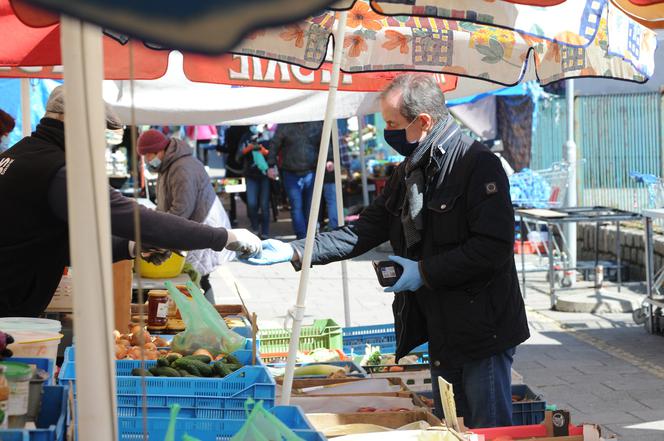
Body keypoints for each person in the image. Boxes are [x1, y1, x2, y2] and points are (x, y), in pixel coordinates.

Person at [245, 74, 529, 429]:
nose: (388, 133)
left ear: (423, 121)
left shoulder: (476, 164)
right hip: (439, 324)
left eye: (393, 124)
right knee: (452, 430)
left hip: (482, 329)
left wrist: (422, 272)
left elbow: (493, 248)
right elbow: (363, 230)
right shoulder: (410, 170)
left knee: (486, 431)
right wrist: (294, 252)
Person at [0, 85, 261, 317]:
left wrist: (131, 247)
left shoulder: (21, 153)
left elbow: (57, 244)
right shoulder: (59, 171)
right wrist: (223, 237)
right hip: (8, 307)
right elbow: (137, 219)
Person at [137, 129, 235, 303]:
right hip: (196, 228)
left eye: (148, 155)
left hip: (204, 227)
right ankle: (205, 320)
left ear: (159, 150)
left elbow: (181, 210)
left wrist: (160, 239)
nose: (146, 161)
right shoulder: (168, 165)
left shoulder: (182, 168)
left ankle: (208, 322)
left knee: (199, 279)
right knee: (197, 279)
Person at [268, 121, 323, 239]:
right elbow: (274, 145)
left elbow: (324, 143)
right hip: (290, 173)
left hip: (311, 171)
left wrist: (329, 159)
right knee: (296, 206)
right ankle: (302, 237)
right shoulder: (285, 125)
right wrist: (271, 165)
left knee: (311, 207)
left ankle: (312, 236)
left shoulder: (315, 124)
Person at [237, 125, 272, 239]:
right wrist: (249, 148)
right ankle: (255, 229)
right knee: (252, 204)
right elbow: (238, 156)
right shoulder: (246, 137)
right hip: (250, 175)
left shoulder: (266, 135)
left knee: (264, 205)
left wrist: (262, 150)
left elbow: (273, 155)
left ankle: (265, 232)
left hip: (265, 175)